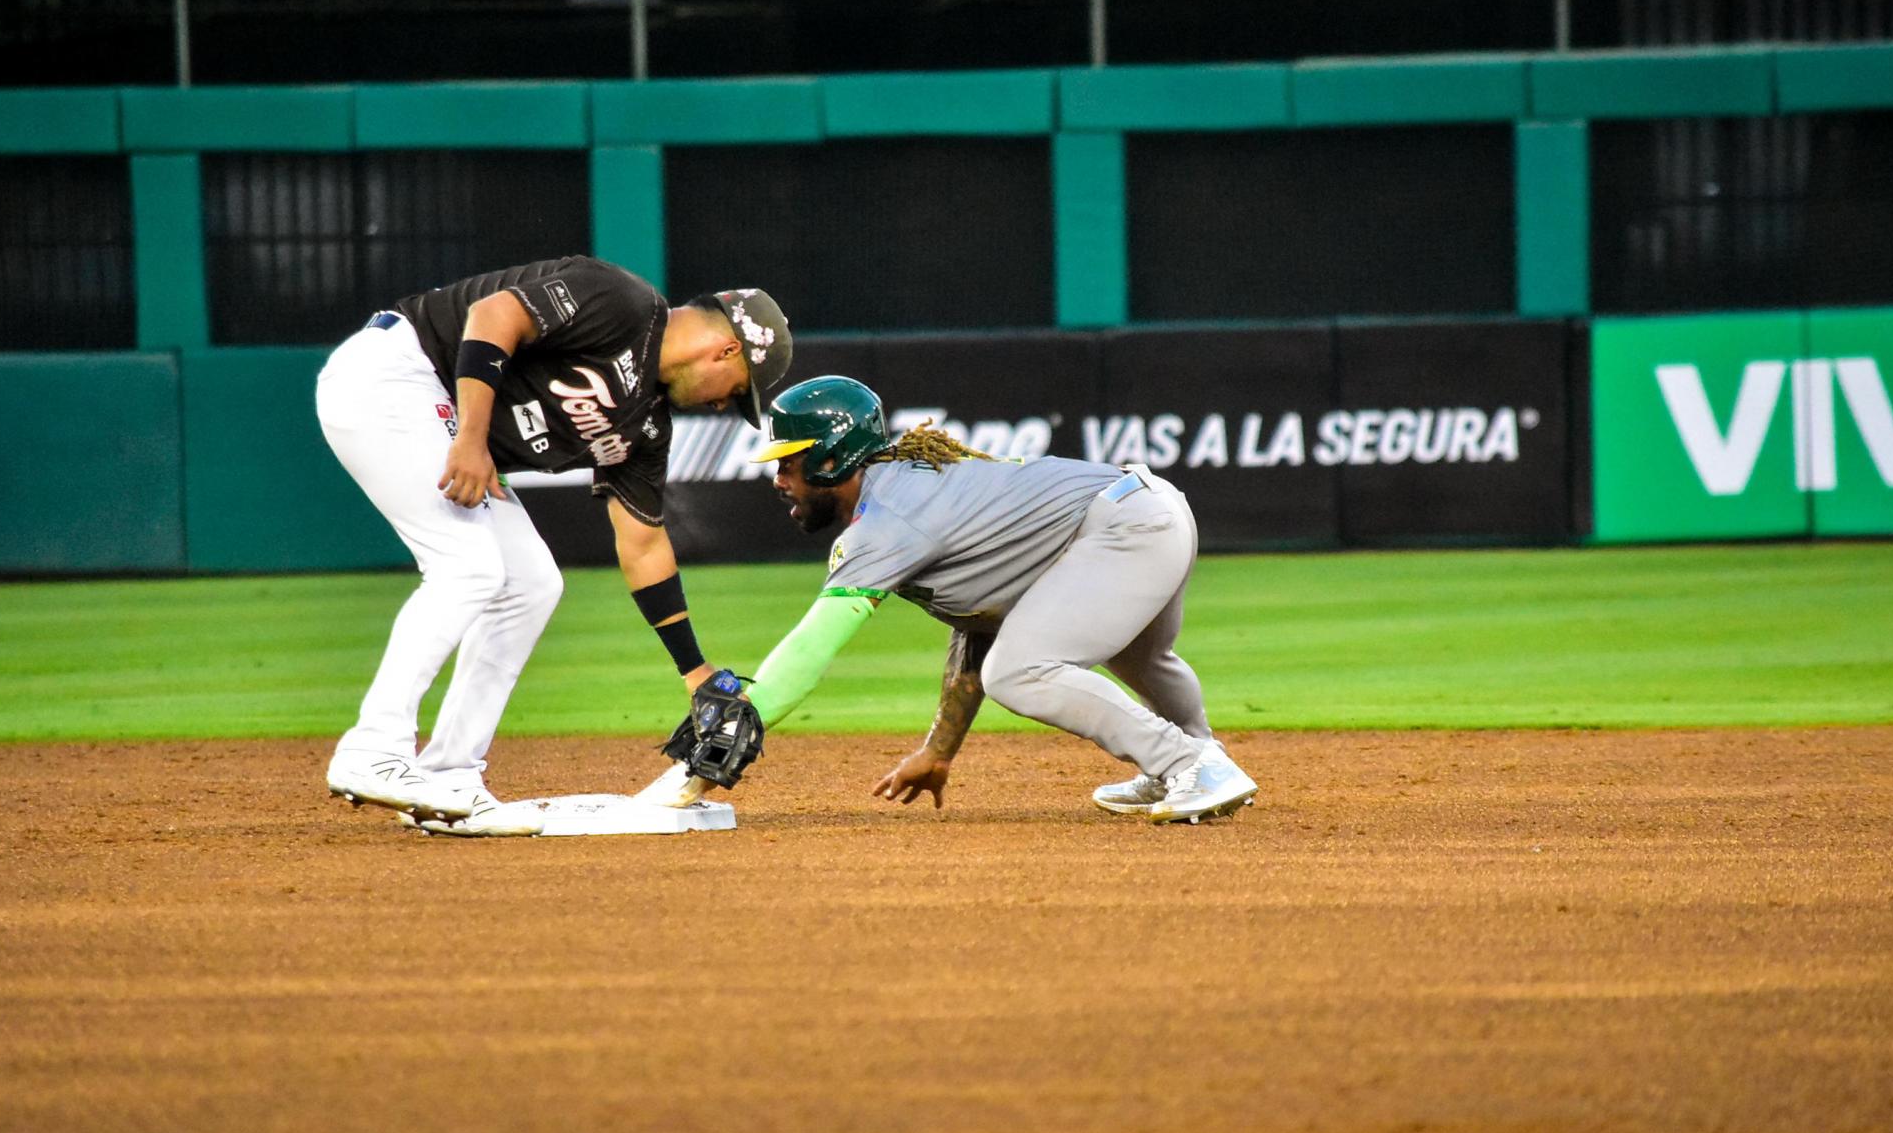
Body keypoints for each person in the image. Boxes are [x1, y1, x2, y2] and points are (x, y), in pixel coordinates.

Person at [636, 375, 1257, 825]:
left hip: (1123, 529)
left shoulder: (885, 521)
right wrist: (939, 750)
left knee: (1020, 672)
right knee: (1137, 657)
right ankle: (1197, 756)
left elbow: (812, 647)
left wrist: (735, 728)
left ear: (830, 459)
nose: (778, 480)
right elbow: (980, 620)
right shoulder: (903, 489)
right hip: (1146, 510)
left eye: (789, 464)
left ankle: (1191, 763)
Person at [317, 256, 792, 835]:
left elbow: (642, 542)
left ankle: (450, 773)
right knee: (467, 567)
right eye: (736, 393)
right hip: (396, 373)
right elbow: (493, 316)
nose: (723, 407)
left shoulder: (645, 426)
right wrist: (470, 437)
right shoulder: (624, 302)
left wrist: (695, 673)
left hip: (439, 412)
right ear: (727, 351)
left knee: (532, 584)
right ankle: (373, 749)